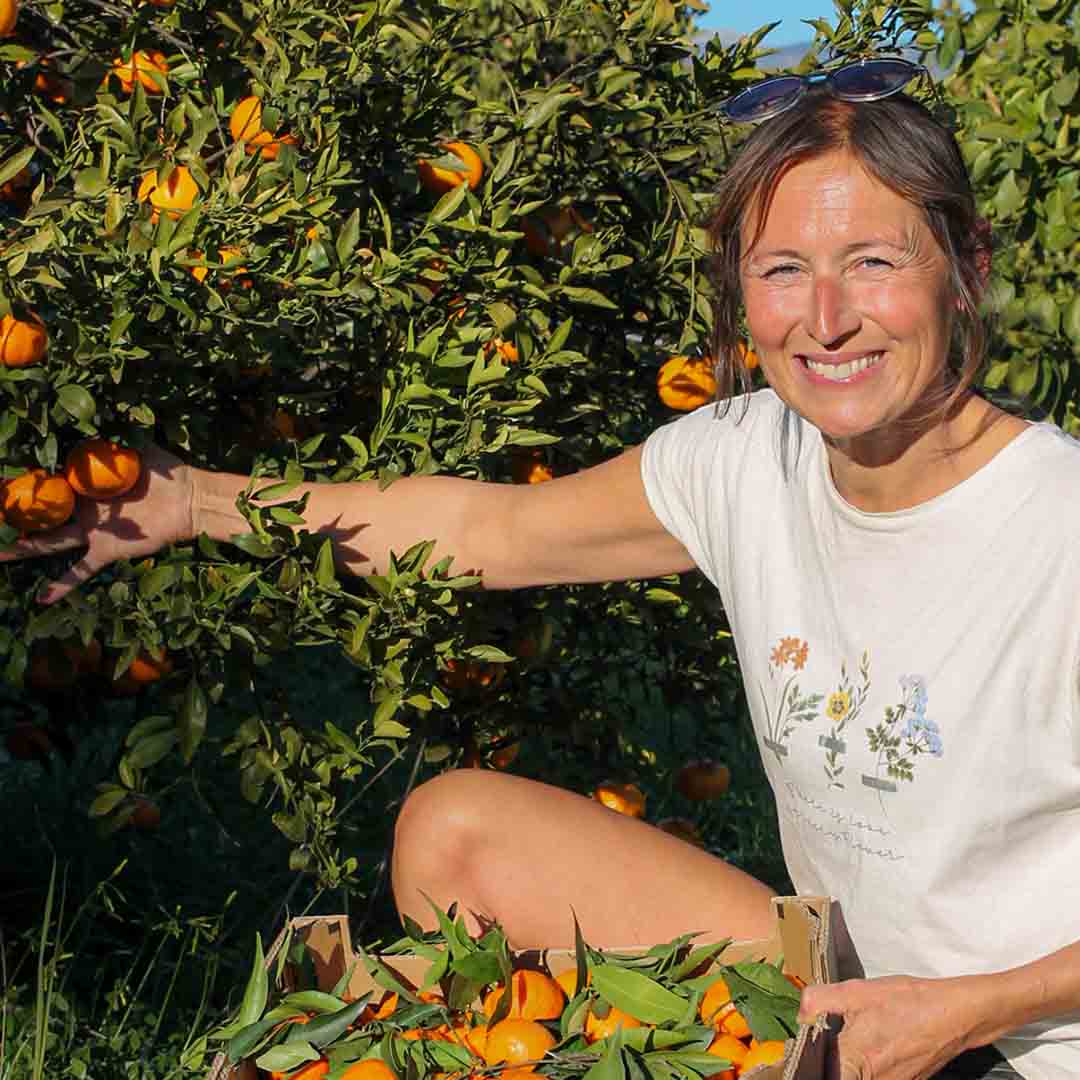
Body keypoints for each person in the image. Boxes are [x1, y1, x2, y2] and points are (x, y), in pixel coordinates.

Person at [7, 58, 1080, 1080]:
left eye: (876, 263)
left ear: (967, 269)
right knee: (456, 831)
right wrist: (193, 502)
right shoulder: (749, 458)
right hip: (853, 993)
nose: (827, 317)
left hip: (1033, 1037)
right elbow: (489, 533)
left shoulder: (1056, 530)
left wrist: (965, 1010)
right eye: (783, 270)